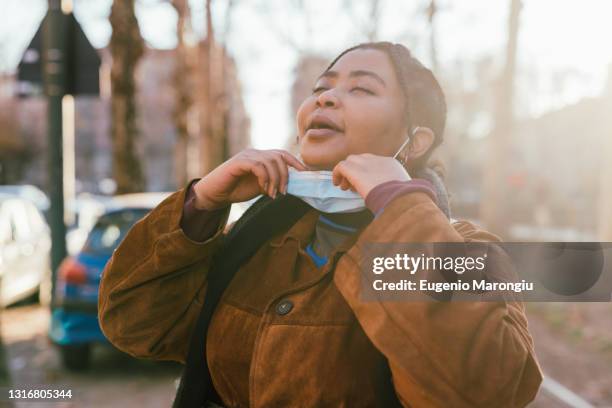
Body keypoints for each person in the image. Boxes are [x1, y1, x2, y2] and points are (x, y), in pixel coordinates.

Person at [98, 41, 542, 407]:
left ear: (415, 140)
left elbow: (486, 391)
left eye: (362, 90)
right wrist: (201, 205)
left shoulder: (470, 250)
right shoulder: (258, 238)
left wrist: (398, 206)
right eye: (320, 88)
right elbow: (132, 324)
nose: (325, 98)